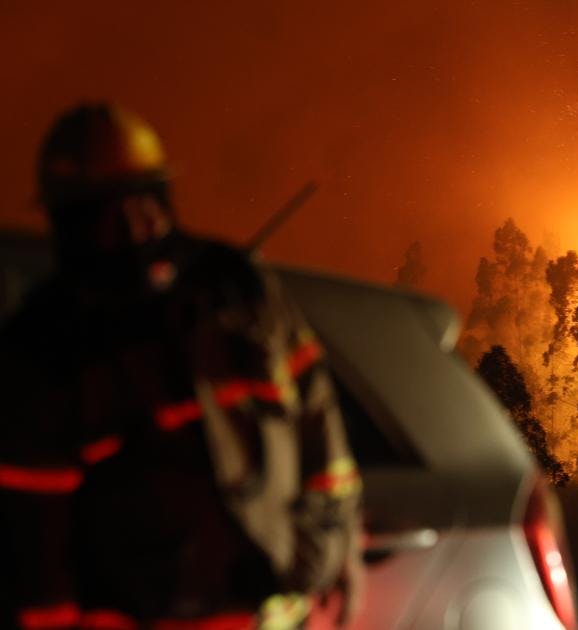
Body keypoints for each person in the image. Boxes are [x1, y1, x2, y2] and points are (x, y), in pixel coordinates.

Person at [0, 104, 363, 629]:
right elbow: (32, 538)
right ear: (68, 225)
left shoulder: (239, 292)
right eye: (104, 215)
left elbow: (318, 419)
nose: (133, 228)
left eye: (143, 201)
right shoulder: (43, 347)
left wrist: (339, 545)